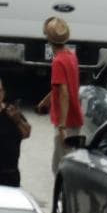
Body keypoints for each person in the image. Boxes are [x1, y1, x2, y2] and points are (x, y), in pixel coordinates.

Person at [36, 16, 84, 182]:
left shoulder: (58, 62)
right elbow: (63, 86)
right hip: (75, 118)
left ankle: (64, 201)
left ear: (48, 39)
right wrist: (46, 100)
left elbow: (64, 93)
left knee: (60, 168)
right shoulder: (70, 56)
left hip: (66, 122)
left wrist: (62, 126)